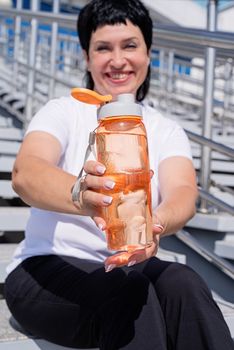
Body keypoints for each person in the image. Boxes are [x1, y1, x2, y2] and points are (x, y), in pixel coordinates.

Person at [4, 0, 234, 349]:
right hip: (44, 267)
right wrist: (80, 193)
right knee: (127, 293)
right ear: (86, 57)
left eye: (129, 45)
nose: (117, 60)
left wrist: (157, 222)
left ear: (148, 52)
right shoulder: (63, 111)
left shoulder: (164, 128)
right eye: (102, 48)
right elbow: (26, 172)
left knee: (184, 282)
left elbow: (184, 191)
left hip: (127, 266)